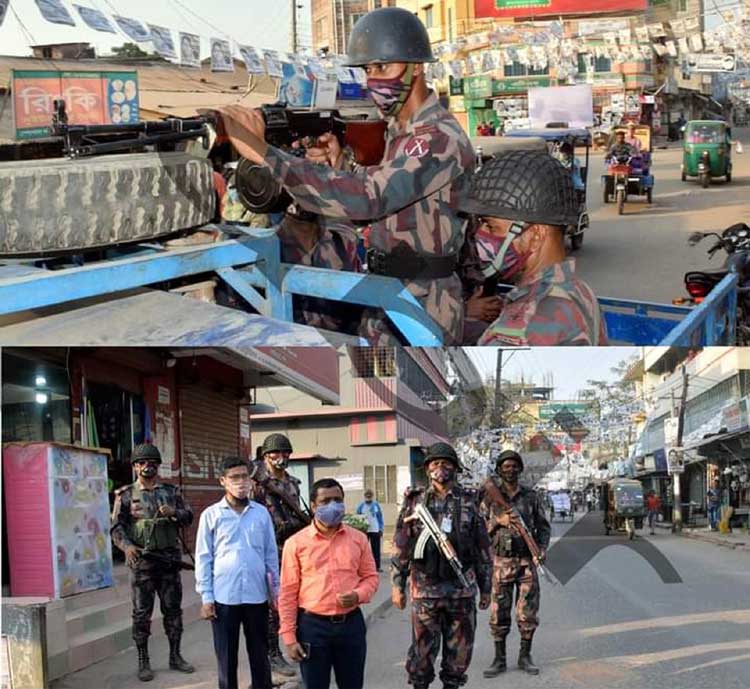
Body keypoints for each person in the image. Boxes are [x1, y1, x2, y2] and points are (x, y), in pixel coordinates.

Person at [217, 7, 474, 346]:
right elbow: (394, 194)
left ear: (417, 67)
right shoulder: (401, 131)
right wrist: (339, 170)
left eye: (383, 67)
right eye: (368, 70)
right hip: (389, 289)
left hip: (424, 300)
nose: (374, 81)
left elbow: (372, 197)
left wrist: (264, 153)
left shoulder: (437, 136)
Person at [459, 150, 607, 345]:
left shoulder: (520, 331)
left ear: (536, 235)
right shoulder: (579, 290)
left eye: (492, 227)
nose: (480, 235)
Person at [391, 442, 492, 689]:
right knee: (422, 654)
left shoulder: (469, 501)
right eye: (435, 463)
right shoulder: (415, 501)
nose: (441, 468)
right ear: (427, 469)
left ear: (455, 468)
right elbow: (402, 544)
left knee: (459, 655)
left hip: (462, 589)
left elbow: (482, 548)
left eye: (446, 463)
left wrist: (486, 587)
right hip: (426, 591)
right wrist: (397, 585)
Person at [279, 478, 379, 689]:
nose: (332, 505)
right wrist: (289, 636)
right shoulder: (296, 543)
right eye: (325, 501)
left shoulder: (358, 539)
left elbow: (371, 577)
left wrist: (358, 595)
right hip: (312, 628)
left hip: (351, 625)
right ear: (314, 506)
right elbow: (288, 592)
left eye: (338, 500)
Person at [111, 444, 195, 682]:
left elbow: (189, 516)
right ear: (135, 466)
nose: (147, 466)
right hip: (142, 563)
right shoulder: (125, 495)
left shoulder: (171, 491)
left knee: (173, 611)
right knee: (141, 614)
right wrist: (127, 547)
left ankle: (175, 656)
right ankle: (143, 660)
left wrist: (174, 513)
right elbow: (117, 527)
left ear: (158, 465)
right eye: (142, 462)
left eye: (152, 462)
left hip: (169, 561)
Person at [195, 457, 278, 689]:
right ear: (223, 481)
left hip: (257, 596)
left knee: (260, 656)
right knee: (226, 659)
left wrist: (276, 593)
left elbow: (271, 555)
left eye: (245, 476)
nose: (241, 482)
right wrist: (206, 598)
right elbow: (203, 558)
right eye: (234, 478)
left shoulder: (261, 514)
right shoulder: (211, 516)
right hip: (224, 598)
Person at [479, 450, 551, 677]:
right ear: (499, 470)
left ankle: (525, 656)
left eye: (514, 466)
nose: (510, 470)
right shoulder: (490, 497)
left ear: (520, 469)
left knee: (527, 612)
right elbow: (477, 530)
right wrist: (497, 521)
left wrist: (541, 549)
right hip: (500, 562)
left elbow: (544, 527)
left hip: (526, 562)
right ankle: (499, 659)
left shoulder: (530, 496)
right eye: (506, 466)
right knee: (499, 613)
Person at [249, 433, 310, 682]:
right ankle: (273, 654)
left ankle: (295, 644)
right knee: (273, 606)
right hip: (270, 550)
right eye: (276, 453)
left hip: (294, 549)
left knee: (296, 601)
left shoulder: (293, 483)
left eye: (285, 453)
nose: (281, 457)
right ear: (265, 456)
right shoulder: (257, 484)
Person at [356, 489, 385, 571]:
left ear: (372, 496)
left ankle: (377, 567)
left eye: (370, 496)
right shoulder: (361, 506)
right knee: (362, 550)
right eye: (367, 496)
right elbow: (357, 518)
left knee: (376, 549)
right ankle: (362, 567)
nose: (368, 497)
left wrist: (381, 529)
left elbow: (380, 517)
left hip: (375, 530)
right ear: (364, 496)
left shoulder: (376, 505)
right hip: (364, 531)